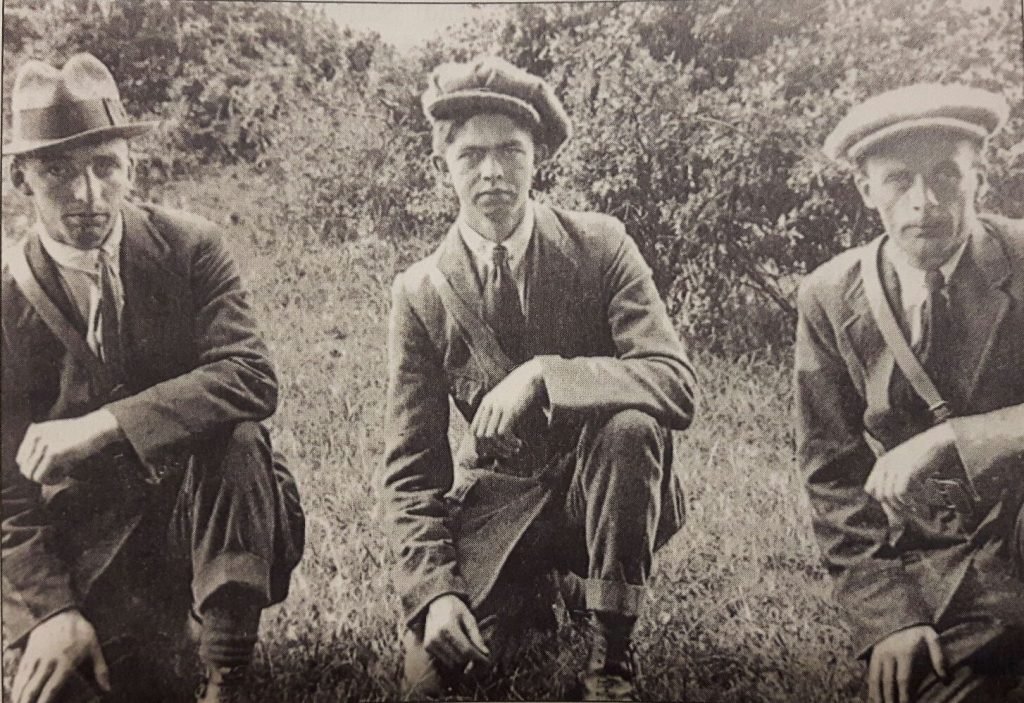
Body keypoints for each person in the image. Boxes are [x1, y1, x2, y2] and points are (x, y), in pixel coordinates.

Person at [380, 55, 697, 701]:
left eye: (511, 151)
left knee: (631, 426)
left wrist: (546, 374)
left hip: (600, 490)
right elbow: (411, 468)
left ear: (537, 157)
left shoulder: (601, 244)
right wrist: (437, 592)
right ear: (443, 160)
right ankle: (540, 586)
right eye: (470, 154)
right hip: (502, 501)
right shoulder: (420, 291)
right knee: (429, 680)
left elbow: (674, 382)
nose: (492, 172)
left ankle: (611, 653)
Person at [1, 54, 305, 703]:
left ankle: (229, 669)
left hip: (203, 519)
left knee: (241, 434)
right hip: (93, 543)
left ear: (130, 165)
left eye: (105, 166)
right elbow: (4, 492)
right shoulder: (4, 302)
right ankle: (132, 632)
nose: (87, 195)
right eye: (57, 171)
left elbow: (250, 374)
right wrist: (51, 612)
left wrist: (107, 423)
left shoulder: (190, 246)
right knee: (83, 686)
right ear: (20, 177)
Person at [796, 83, 1024, 703]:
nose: (925, 203)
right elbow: (833, 475)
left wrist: (955, 438)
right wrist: (890, 618)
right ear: (867, 191)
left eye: (946, 176)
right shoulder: (828, 297)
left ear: (979, 176)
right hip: (937, 562)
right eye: (899, 180)